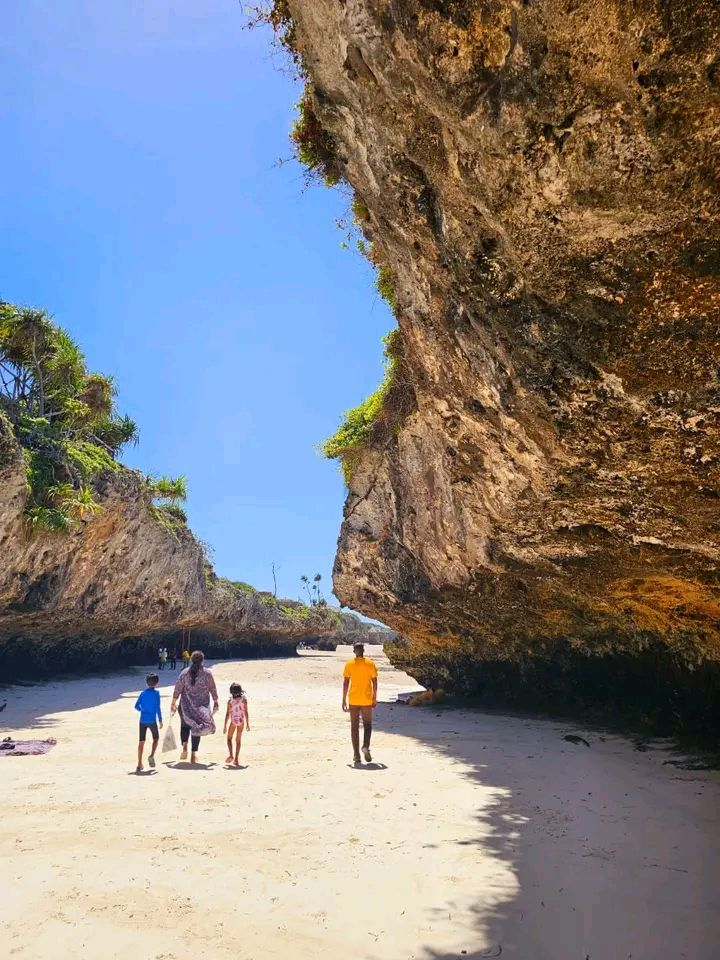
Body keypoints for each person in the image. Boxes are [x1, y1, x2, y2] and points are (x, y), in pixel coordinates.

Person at [170, 650, 219, 764]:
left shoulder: (184, 673)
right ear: (203, 660)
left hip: (184, 706)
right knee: (197, 728)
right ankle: (193, 755)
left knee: (184, 726)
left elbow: (177, 688)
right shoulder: (207, 673)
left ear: (191, 660)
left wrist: (173, 703)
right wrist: (216, 700)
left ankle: (184, 748)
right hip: (200, 708)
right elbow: (212, 688)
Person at [342, 642, 378, 765]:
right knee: (367, 724)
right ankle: (365, 746)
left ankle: (356, 755)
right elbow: (375, 682)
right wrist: (374, 697)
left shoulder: (349, 664)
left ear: (354, 651)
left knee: (354, 726)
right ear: (363, 651)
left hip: (353, 699)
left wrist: (343, 699)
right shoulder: (370, 663)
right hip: (366, 699)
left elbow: (346, 683)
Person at [134, 672, 163, 773]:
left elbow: (136, 706)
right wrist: (160, 719)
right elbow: (158, 708)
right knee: (156, 738)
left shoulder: (142, 693)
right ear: (157, 683)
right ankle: (151, 755)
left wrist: (143, 710)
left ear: (146, 683)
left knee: (141, 741)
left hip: (142, 720)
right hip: (152, 721)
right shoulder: (156, 694)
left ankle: (139, 764)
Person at [223, 682, 250, 767]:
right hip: (241, 721)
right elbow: (246, 712)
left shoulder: (230, 701)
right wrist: (247, 724)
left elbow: (227, 714)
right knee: (238, 741)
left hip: (233, 722)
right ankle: (236, 759)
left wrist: (225, 726)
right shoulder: (244, 700)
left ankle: (231, 755)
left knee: (229, 739)